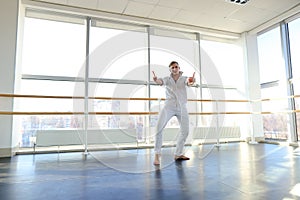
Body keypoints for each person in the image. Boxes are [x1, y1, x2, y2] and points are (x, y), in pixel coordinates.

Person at [152, 61, 195, 165]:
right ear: (170, 69)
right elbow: (160, 81)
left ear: (179, 68)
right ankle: (157, 155)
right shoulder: (167, 79)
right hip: (169, 106)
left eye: (176, 67)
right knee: (159, 128)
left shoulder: (184, 79)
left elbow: (189, 82)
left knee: (185, 131)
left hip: (182, 107)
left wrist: (191, 81)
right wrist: (155, 80)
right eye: (172, 67)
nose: (175, 69)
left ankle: (178, 154)